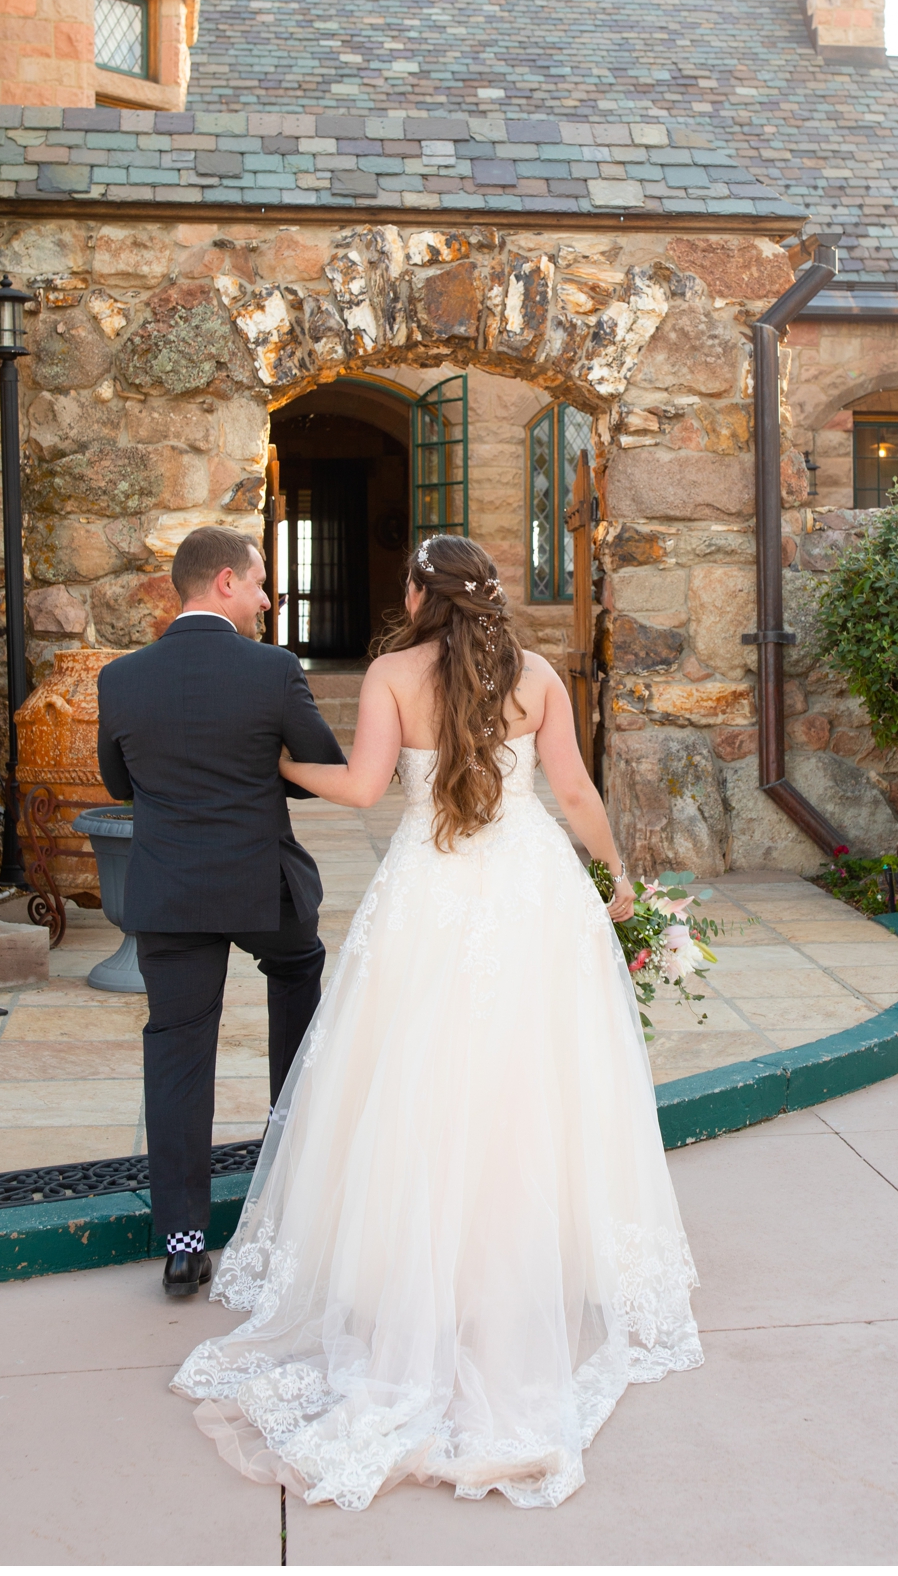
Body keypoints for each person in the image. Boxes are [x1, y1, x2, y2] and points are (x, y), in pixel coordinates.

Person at [172, 535, 703, 1509]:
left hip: (428, 893)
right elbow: (575, 791)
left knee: (417, 1079)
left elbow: (364, 788)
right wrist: (616, 878)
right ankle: (525, 1255)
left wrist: (283, 765)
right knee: (537, 1074)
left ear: (419, 595)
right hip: (529, 885)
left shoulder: (389, 673)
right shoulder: (536, 673)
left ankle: (419, 1270)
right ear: (488, 595)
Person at [96, 526, 347, 1298]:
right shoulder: (272, 670)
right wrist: (260, 753)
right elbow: (320, 769)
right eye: (263, 583)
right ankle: (290, 1176)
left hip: (170, 893)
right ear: (227, 582)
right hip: (258, 885)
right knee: (298, 965)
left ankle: (181, 1243)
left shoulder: (121, 677)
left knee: (176, 1047)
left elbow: (118, 782)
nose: (270, 599)